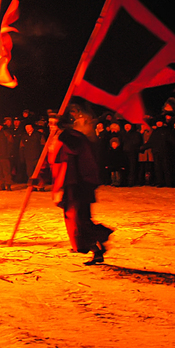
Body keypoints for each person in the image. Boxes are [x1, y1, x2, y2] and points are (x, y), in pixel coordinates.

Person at [48, 107, 113, 265]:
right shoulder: (59, 137)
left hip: (78, 184)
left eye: (54, 123)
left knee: (78, 220)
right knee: (74, 219)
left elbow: (74, 150)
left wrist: (61, 135)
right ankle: (89, 245)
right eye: (49, 123)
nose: (51, 126)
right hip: (66, 184)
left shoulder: (73, 137)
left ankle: (97, 244)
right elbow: (53, 160)